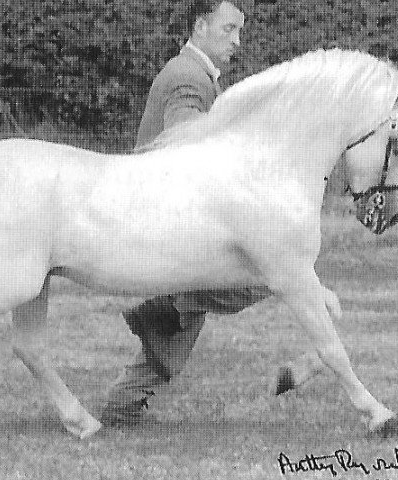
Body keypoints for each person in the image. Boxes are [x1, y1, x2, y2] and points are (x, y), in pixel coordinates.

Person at [101, 0, 275, 425]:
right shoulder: (188, 77)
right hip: (166, 218)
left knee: (176, 334)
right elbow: (187, 140)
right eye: (229, 28)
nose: (237, 40)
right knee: (259, 276)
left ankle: (123, 406)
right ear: (200, 25)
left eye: (239, 31)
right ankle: (169, 301)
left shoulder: (192, 73)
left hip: (171, 214)